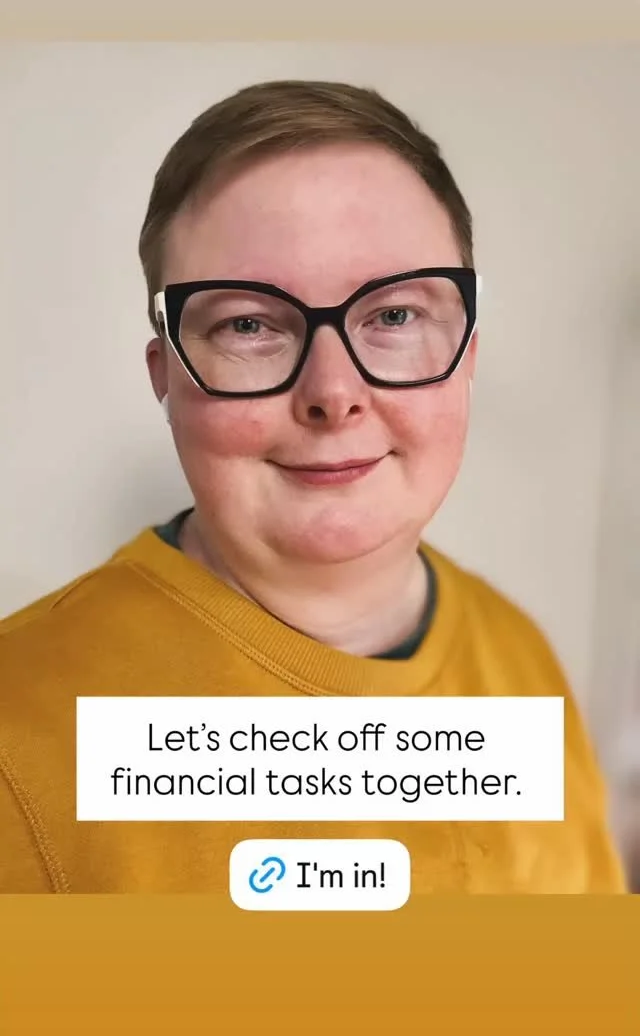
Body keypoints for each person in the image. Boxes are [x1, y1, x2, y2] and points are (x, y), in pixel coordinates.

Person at [0, 79, 626, 893]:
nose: (333, 392)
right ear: (166, 377)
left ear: (467, 354)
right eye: (249, 324)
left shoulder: (524, 663)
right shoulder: (21, 725)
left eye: (393, 316)